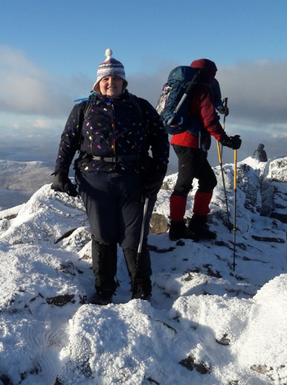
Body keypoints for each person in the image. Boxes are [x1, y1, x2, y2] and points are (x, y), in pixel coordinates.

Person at [52, 49, 169, 305]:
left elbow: (160, 139)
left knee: (134, 236)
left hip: (134, 179)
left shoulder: (140, 106)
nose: (111, 83)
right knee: (103, 234)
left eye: (116, 79)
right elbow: (68, 140)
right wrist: (60, 171)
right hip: (94, 180)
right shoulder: (83, 108)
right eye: (106, 79)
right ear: (98, 83)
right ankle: (105, 288)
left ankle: (141, 288)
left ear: (124, 82)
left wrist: (158, 172)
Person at [169, 58, 242, 242]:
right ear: (209, 73)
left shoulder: (189, 88)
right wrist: (225, 140)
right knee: (184, 184)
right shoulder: (203, 89)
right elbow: (209, 120)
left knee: (208, 180)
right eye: (214, 73)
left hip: (186, 141)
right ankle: (177, 228)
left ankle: (197, 224)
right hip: (190, 143)